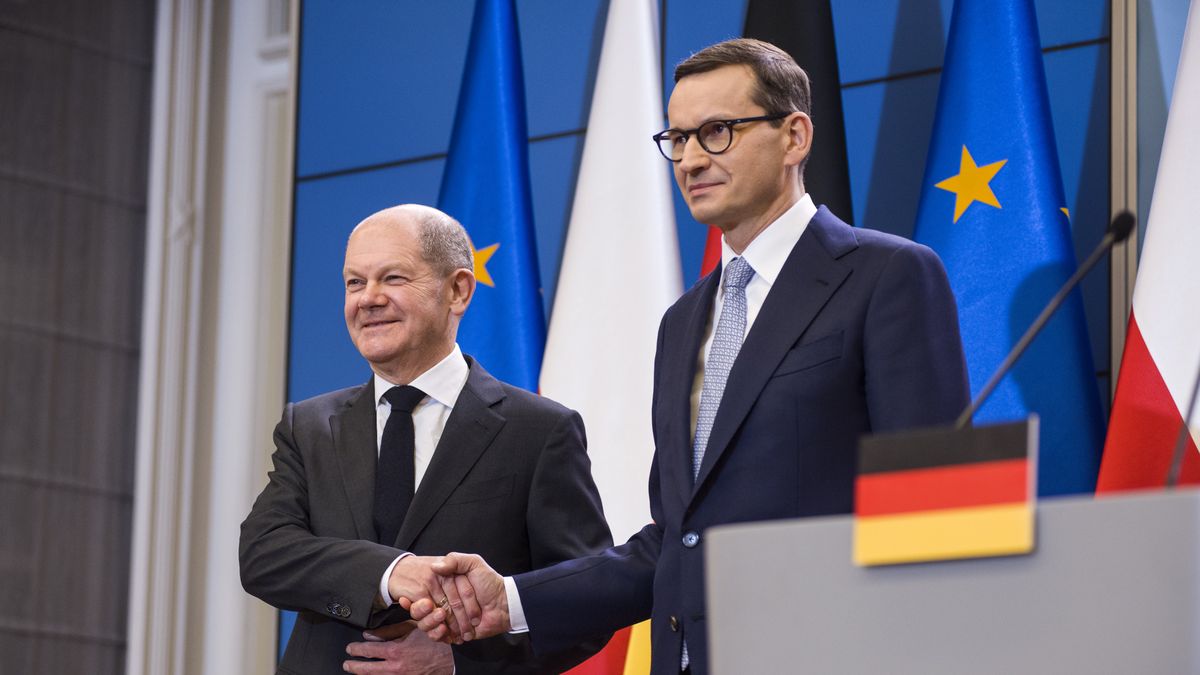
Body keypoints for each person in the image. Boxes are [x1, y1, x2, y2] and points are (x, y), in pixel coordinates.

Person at [406, 39, 971, 674]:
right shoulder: (682, 322)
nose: (692, 159)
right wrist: (508, 598)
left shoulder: (885, 275)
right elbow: (675, 543)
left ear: (795, 137)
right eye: (678, 139)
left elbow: (932, 505)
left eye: (718, 132)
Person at [239, 204, 613, 674]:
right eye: (355, 282)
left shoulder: (539, 431)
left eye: (393, 278)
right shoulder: (309, 425)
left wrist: (459, 662)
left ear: (458, 290)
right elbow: (265, 554)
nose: (367, 299)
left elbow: (585, 603)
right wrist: (392, 574)